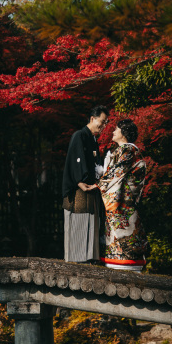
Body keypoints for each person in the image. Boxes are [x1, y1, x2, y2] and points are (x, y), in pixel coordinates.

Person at [98, 119, 149, 272]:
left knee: (122, 233)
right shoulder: (127, 151)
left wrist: (97, 186)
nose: (113, 132)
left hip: (122, 202)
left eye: (116, 129)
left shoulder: (127, 150)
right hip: (122, 202)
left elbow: (114, 174)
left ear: (124, 132)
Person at [62, 105, 109, 263]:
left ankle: (89, 261)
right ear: (92, 119)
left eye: (105, 123)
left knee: (91, 224)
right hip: (79, 190)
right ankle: (78, 261)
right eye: (102, 122)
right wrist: (80, 181)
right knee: (79, 223)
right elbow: (75, 160)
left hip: (91, 188)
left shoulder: (93, 139)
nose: (103, 126)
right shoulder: (79, 135)